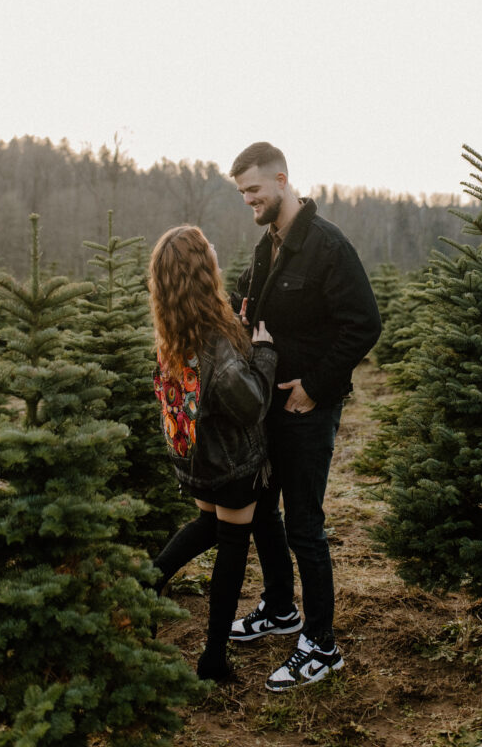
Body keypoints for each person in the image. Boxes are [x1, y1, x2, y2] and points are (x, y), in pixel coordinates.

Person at [228, 142, 381, 692]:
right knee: (264, 510)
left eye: (254, 190)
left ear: (282, 180)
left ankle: (321, 644)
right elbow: (250, 304)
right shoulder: (267, 244)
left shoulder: (326, 245)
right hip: (267, 402)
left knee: (305, 527)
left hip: (307, 408)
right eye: (241, 192)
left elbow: (364, 324)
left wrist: (314, 389)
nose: (247, 200)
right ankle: (278, 608)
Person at [148, 224, 277, 682]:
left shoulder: (174, 326)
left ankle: (149, 580)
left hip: (195, 462)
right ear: (201, 270)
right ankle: (213, 659)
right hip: (231, 464)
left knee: (208, 523)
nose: (217, 252)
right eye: (209, 250)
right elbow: (250, 404)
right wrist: (263, 352)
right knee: (232, 546)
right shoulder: (214, 337)